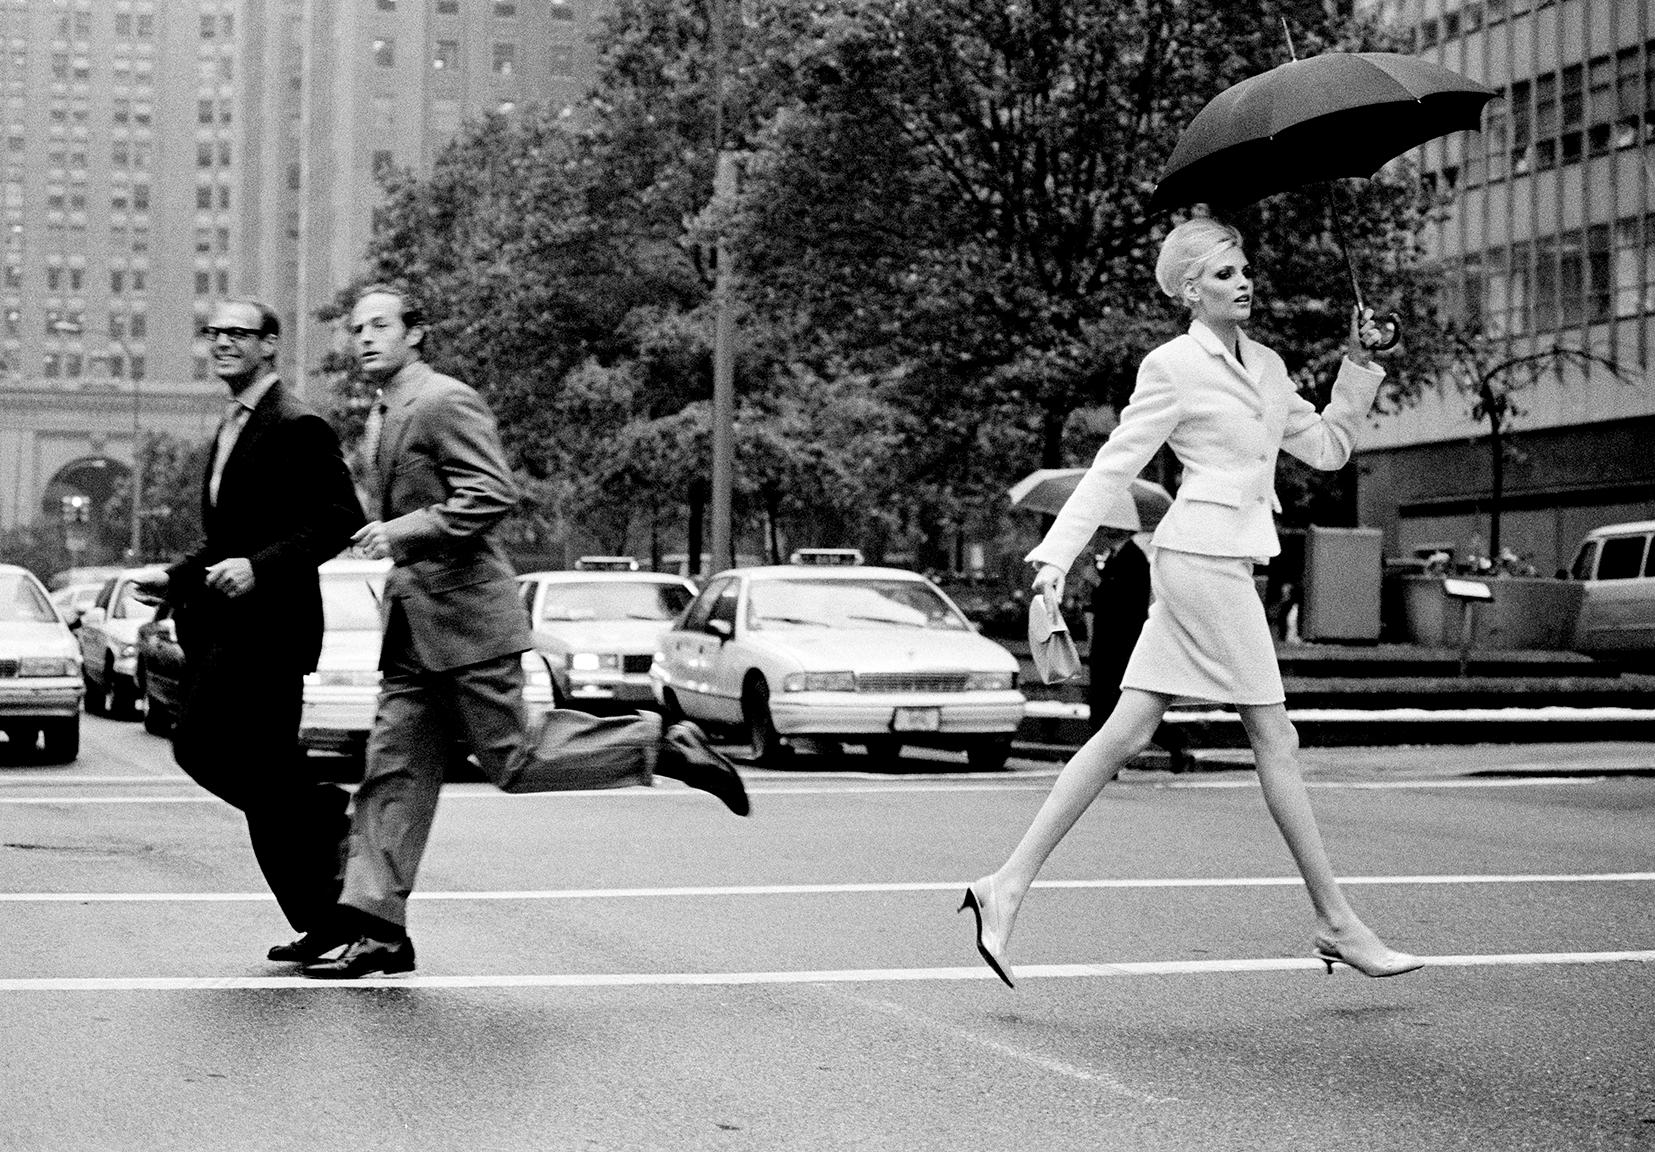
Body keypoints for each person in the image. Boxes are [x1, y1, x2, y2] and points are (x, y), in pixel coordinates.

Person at [961, 218, 1422, 987]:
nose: (1243, 282)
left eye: (1244, 271)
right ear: (1187, 290)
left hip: (1224, 559)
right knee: (1276, 738)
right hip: (1198, 560)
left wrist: (1357, 364)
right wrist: (1053, 558)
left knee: (1124, 731)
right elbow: (1114, 468)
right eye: (1223, 274)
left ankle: (1002, 885)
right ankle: (1336, 920)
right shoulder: (1172, 366)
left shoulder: (1268, 367)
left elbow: (1328, 449)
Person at [302, 283, 750, 979]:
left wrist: (403, 531)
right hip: (413, 629)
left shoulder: (443, 400)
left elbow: (489, 492)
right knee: (390, 772)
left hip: (468, 617)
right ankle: (380, 928)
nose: (364, 338)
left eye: (380, 325)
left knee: (513, 761)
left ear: (416, 333)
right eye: (357, 327)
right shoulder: (382, 412)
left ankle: (659, 744)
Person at [135, 298, 366, 962]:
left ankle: (318, 809)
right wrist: (175, 575)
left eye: (240, 333)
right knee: (261, 778)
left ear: (270, 345)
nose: (224, 342)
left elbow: (338, 519)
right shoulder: (233, 425)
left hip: (269, 633)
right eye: (216, 332)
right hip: (229, 629)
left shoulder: (297, 424)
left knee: (201, 747)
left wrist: (260, 570)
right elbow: (228, 538)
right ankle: (324, 914)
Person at [1086, 528, 1191, 772]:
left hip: (1119, 646)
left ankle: (1174, 741)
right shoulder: (1116, 557)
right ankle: (1102, 765)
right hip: (1108, 645)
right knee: (1104, 703)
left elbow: (1123, 601)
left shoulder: (1132, 558)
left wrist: (1097, 582)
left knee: (1112, 703)